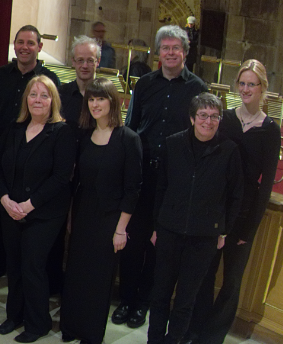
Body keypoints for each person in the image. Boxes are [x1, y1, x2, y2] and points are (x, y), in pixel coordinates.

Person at [118, 25, 208, 329]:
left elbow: (201, 137)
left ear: (185, 52)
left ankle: (144, 302)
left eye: (176, 48)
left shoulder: (198, 88)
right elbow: (130, 128)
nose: (170, 53)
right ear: (159, 53)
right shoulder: (144, 84)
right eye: (165, 48)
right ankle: (127, 299)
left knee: (159, 246)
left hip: (174, 181)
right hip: (143, 173)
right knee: (133, 240)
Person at [188, 60, 281, 344]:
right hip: (217, 209)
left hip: (244, 215)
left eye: (251, 84)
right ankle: (195, 328)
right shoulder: (225, 118)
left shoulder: (270, 129)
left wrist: (248, 230)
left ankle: (212, 337)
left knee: (231, 282)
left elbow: (265, 185)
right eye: (241, 83)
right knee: (205, 273)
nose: (245, 89)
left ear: (263, 88)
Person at [148, 93, 243, 344]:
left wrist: (224, 231)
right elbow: (161, 188)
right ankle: (154, 340)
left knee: (185, 300)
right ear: (192, 118)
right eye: (203, 115)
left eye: (214, 117)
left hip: (203, 238)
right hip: (169, 230)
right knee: (160, 295)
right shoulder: (174, 144)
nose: (208, 121)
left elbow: (236, 196)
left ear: (220, 120)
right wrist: (157, 225)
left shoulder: (229, 151)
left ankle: (173, 341)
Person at [0, 75, 75, 342]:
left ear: (53, 101)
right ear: (26, 99)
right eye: (33, 94)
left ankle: (38, 323)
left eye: (44, 95)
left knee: (32, 265)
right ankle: (14, 315)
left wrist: (29, 205)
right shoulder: (14, 129)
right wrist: (5, 199)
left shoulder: (62, 132)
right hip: (11, 208)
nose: (38, 100)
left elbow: (62, 178)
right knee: (14, 264)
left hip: (43, 213)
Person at [59, 78, 142, 344]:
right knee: (76, 273)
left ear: (112, 102)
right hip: (84, 211)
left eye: (101, 99)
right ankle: (70, 327)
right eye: (91, 99)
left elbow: (133, 189)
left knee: (98, 279)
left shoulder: (128, 138)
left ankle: (91, 334)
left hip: (110, 217)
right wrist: (72, 216)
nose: (95, 104)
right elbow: (77, 181)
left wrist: (120, 229)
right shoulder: (85, 135)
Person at [0, 25, 60, 288]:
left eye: (30, 43)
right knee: (0, 215)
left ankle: (32, 274)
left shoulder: (48, 79)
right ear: (14, 45)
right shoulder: (0, 75)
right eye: (20, 42)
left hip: (35, 159)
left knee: (27, 217)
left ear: (39, 47)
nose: (25, 47)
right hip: (2, 155)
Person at [59, 35, 101, 129]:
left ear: (98, 61)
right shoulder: (60, 94)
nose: (85, 66)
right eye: (80, 60)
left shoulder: (105, 96)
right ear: (73, 61)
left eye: (90, 60)